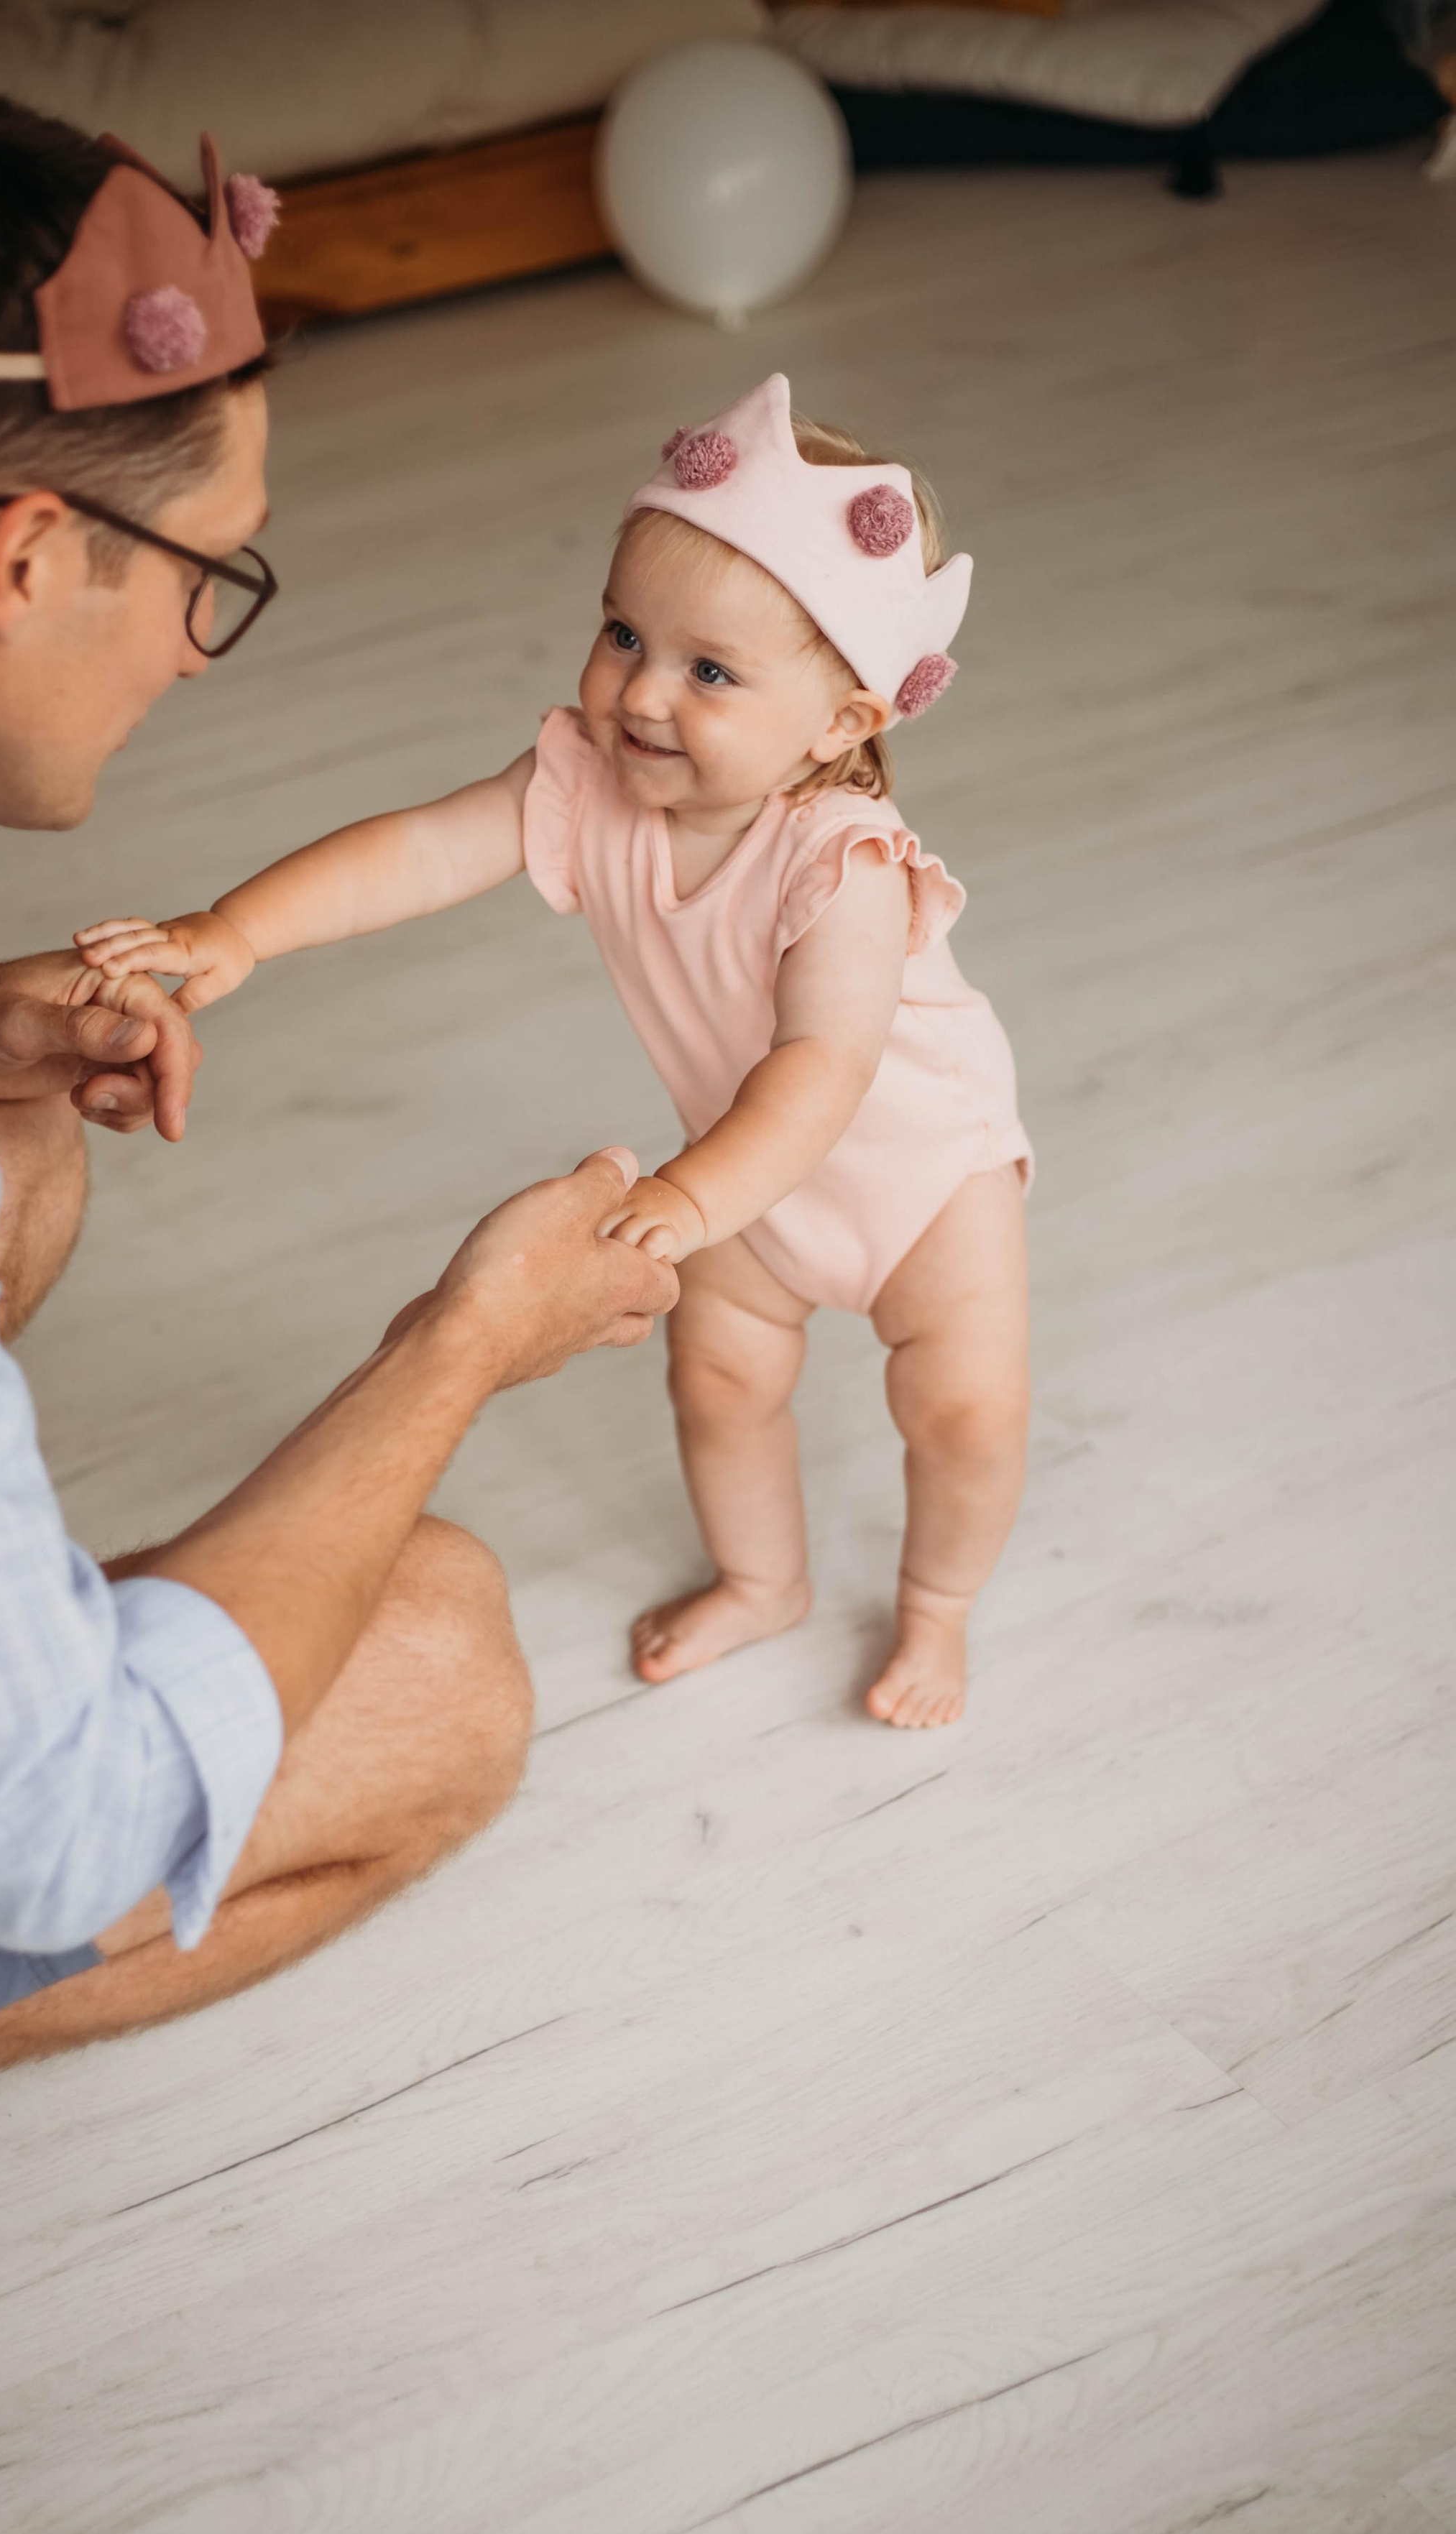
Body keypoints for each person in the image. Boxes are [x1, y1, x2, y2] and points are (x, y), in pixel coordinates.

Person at [0, 101, 674, 2346]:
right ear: (26, 562)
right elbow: (65, 1827)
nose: (206, 643)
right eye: (215, 575)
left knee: (3, 1152)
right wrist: (454, 1347)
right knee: (437, 1678)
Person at [80, 374, 1033, 1733]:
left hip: (921, 1183)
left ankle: (935, 1611)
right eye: (623, 633)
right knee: (717, 1385)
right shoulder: (591, 781)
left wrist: (698, 1199)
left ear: (841, 727)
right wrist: (239, 931)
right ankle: (761, 1579)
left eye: (710, 671)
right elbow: (420, 847)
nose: (641, 692)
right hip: (739, 1178)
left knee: (966, 1416)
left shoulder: (843, 863)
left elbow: (822, 1069)